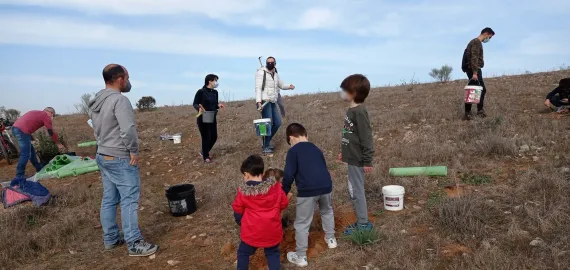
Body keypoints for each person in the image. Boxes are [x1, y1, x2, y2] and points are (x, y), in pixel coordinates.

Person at [89, 64, 158, 257]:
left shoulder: (95, 101)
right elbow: (127, 130)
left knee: (110, 199)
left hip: (102, 154)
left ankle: (110, 239)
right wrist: (133, 151)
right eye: (127, 77)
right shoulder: (120, 100)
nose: (128, 81)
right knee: (129, 199)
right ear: (120, 79)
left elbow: (94, 128)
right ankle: (134, 242)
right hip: (119, 156)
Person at [282, 123, 337, 267]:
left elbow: (288, 174)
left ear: (291, 138)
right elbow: (323, 167)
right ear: (305, 135)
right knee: (327, 211)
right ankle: (331, 240)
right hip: (326, 186)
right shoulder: (316, 148)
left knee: (302, 223)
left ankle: (301, 257)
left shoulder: (293, 151)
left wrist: (283, 191)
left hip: (307, 191)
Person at [232, 155, 288, 270]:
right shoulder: (276, 187)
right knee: (272, 254)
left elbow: (237, 209)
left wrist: (240, 221)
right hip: (272, 229)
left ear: (246, 174)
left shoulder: (244, 192)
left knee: (243, 253)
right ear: (262, 172)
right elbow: (284, 203)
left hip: (251, 231)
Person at [337, 74, 374, 235]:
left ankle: (364, 224)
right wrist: (343, 153)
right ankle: (362, 221)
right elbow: (350, 135)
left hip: (358, 160)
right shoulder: (351, 110)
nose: (342, 93)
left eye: (345, 90)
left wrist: (367, 161)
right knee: (353, 189)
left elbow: (366, 137)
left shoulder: (359, 112)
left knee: (357, 191)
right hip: (351, 157)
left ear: (353, 92)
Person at [255, 56, 295, 154]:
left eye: (272, 62)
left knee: (277, 123)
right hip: (264, 101)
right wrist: (259, 101)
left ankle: (266, 142)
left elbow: (280, 85)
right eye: (268, 62)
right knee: (266, 125)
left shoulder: (275, 74)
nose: (270, 64)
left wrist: (289, 87)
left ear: (275, 64)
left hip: (272, 101)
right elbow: (258, 88)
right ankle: (265, 147)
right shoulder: (261, 73)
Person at [12, 107, 64, 178]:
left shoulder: (36, 112)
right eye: (53, 115)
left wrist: (32, 138)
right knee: (26, 154)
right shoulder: (45, 115)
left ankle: (39, 168)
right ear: (50, 112)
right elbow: (50, 132)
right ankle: (19, 175)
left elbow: (26, 124)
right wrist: (58, 144)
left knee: (32, 151)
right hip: (22, 131)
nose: (52, 117)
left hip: (16, 128)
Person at [461, 27, 496, 120]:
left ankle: (469, 113)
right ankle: (477, 112)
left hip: (471, 69)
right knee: (481, 90)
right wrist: (475, 73)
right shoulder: (476, 42)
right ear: (486, 34)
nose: (489, 39)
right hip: (473, 69)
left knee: (473, 90)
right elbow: (474, 58)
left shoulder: (473, 42)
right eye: (490, 37)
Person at [193, 74, 225, 163]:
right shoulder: (201, 92)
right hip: (203, 117)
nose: (216, 83)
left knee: (214, 136)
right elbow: (195, 103)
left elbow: (214, 104)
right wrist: (198, 108)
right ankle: (206, 156)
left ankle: (204, 151)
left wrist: (218, 105)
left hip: (212, 116)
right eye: (215, 80)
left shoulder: (215, 92)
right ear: (209, 81)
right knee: (206, 136)